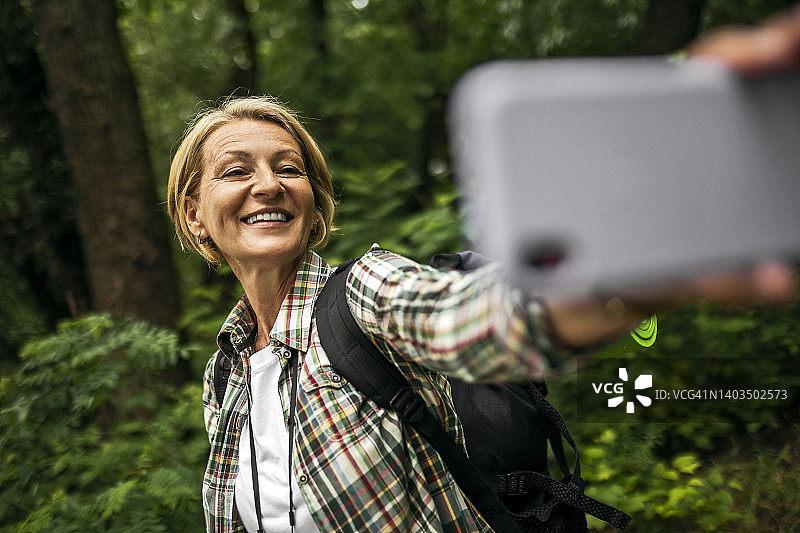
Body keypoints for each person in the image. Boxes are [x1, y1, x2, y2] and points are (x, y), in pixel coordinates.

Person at [166, 8, 799, 533]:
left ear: (314, 200)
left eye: (288, 168)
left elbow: (474, 318)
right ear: (194, 216)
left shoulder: (362, 293)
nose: (269, 185)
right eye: (235, 170)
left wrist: (628, 268)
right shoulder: (225, 373)